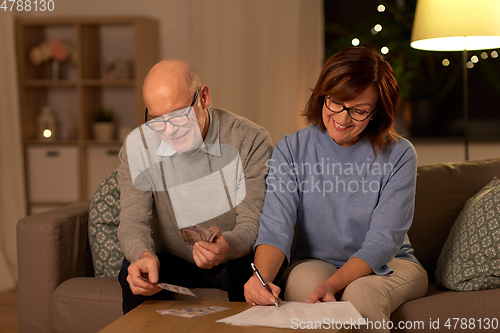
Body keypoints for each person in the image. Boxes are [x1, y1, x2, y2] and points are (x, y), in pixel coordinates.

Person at [244, 47, 428, 332]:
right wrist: (261, 277)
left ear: (377, 112)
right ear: (322, 95)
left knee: (360, 294)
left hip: (390, 263)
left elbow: (383, 241)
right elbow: (276, 226)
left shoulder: (400, 154)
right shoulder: (291, 150)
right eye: (336, 102)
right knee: (307, 286)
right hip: (315, 262)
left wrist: (333, 284)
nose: (342, 119)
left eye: (358, 110)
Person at [117, 59, 273, 314]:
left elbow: (254, 223)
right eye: (157, 119)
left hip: (232, 257)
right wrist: (143, 256)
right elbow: (133, 220)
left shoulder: (250, 139)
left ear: (204, 97)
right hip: (169, 261)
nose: (169, 131)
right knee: (132, 269)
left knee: (250, 268)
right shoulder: (139, 145)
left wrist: (227, 245)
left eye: (179, 116)